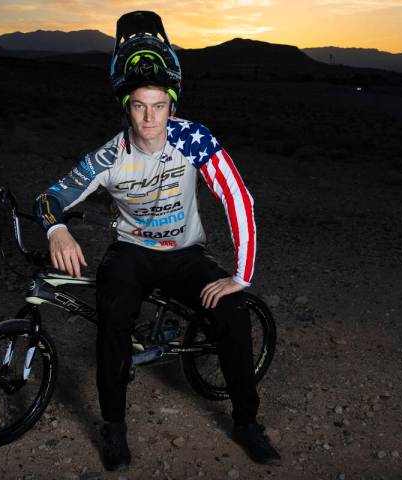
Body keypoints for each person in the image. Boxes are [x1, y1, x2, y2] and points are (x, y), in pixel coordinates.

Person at [34, 11, 280, 471]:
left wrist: (241, 276)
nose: (150, 118)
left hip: (185, 254)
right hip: (131, 254)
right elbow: (50, 196)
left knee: (231, 311)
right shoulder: (111, 154)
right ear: (126, 106)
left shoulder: (193, 138)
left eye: (159, 105)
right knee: (113, 319)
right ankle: (113, 427)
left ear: (172, 104)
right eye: (139, 106)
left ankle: (247, 423)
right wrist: (58, 227)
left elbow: (238, 199)